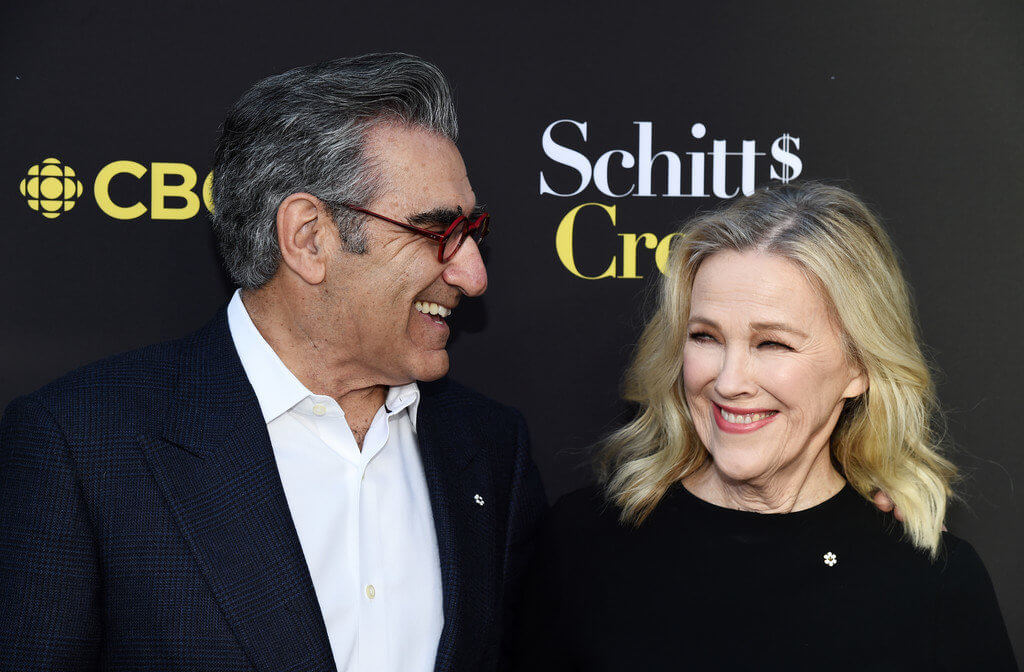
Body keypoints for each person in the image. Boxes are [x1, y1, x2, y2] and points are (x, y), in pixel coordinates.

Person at [0, 54, 547, 672]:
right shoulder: (85, 446)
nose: (473, 275)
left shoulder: (490, 449)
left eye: (474, 230)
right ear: (309, 237)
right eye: (436, 231)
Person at [512, 182, 1017, 670]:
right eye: (706, 337)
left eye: (772, 344)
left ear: (859, 368)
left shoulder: (933, 583)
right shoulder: (584, 542)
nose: (729, 382)